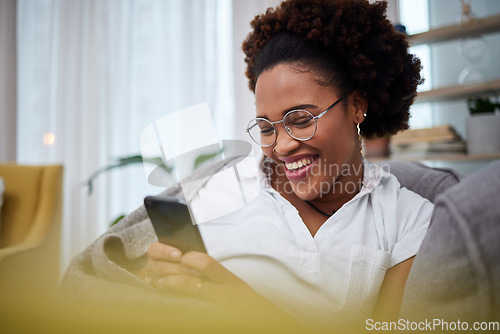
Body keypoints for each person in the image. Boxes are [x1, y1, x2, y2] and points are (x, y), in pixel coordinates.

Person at [61, 0, 433, 331]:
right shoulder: (219, 190)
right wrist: (158, 277)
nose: (283, 146)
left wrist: (245, 307)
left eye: (301, 119)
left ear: (356, 105)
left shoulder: (407, 217)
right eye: (267, 128)